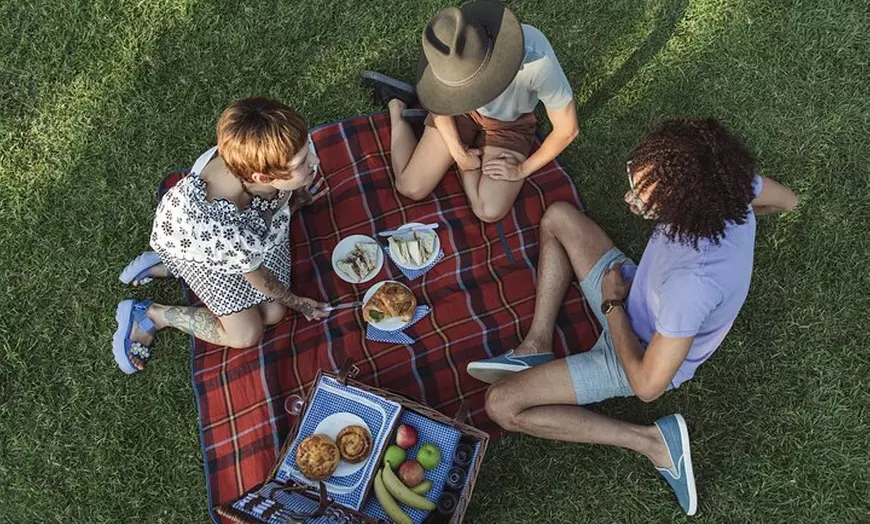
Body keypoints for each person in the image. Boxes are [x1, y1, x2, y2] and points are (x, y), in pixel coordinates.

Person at [467, 118, 798, 515]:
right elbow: (787, 201)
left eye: (644, 197)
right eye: (637, 183)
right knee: (558, 217)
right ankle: (536, 344)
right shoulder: (726, 186)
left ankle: (653, 442)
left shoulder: (693, 285)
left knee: (501, 405)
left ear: (687, 202)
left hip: (637, 350)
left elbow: (646, 385)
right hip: (635, 287)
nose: (630, 198)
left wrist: (613, 306)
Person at [112, 97, 329, 375]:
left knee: (274, 313)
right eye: (301, 162)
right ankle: (152, 314)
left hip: (232, 248)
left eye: (307, 146)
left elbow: (274, 201)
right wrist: (300, 304)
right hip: (209, 249)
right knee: (247, 334)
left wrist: (297, 193)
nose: (316, 159)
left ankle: (165, 266)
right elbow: (262, 280)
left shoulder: (246, 155)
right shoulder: (227, 230)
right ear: (262, 177)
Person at [362, 0, 578, 223]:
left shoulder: (536, 58)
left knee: (489, 210)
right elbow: (440, 104)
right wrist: (459, 153)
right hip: (459, 111)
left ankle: (466, 153)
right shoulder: (446, 52)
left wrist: (521, 170)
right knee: (410, 187)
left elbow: (567, 129)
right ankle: (397, 105)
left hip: (510, 124)